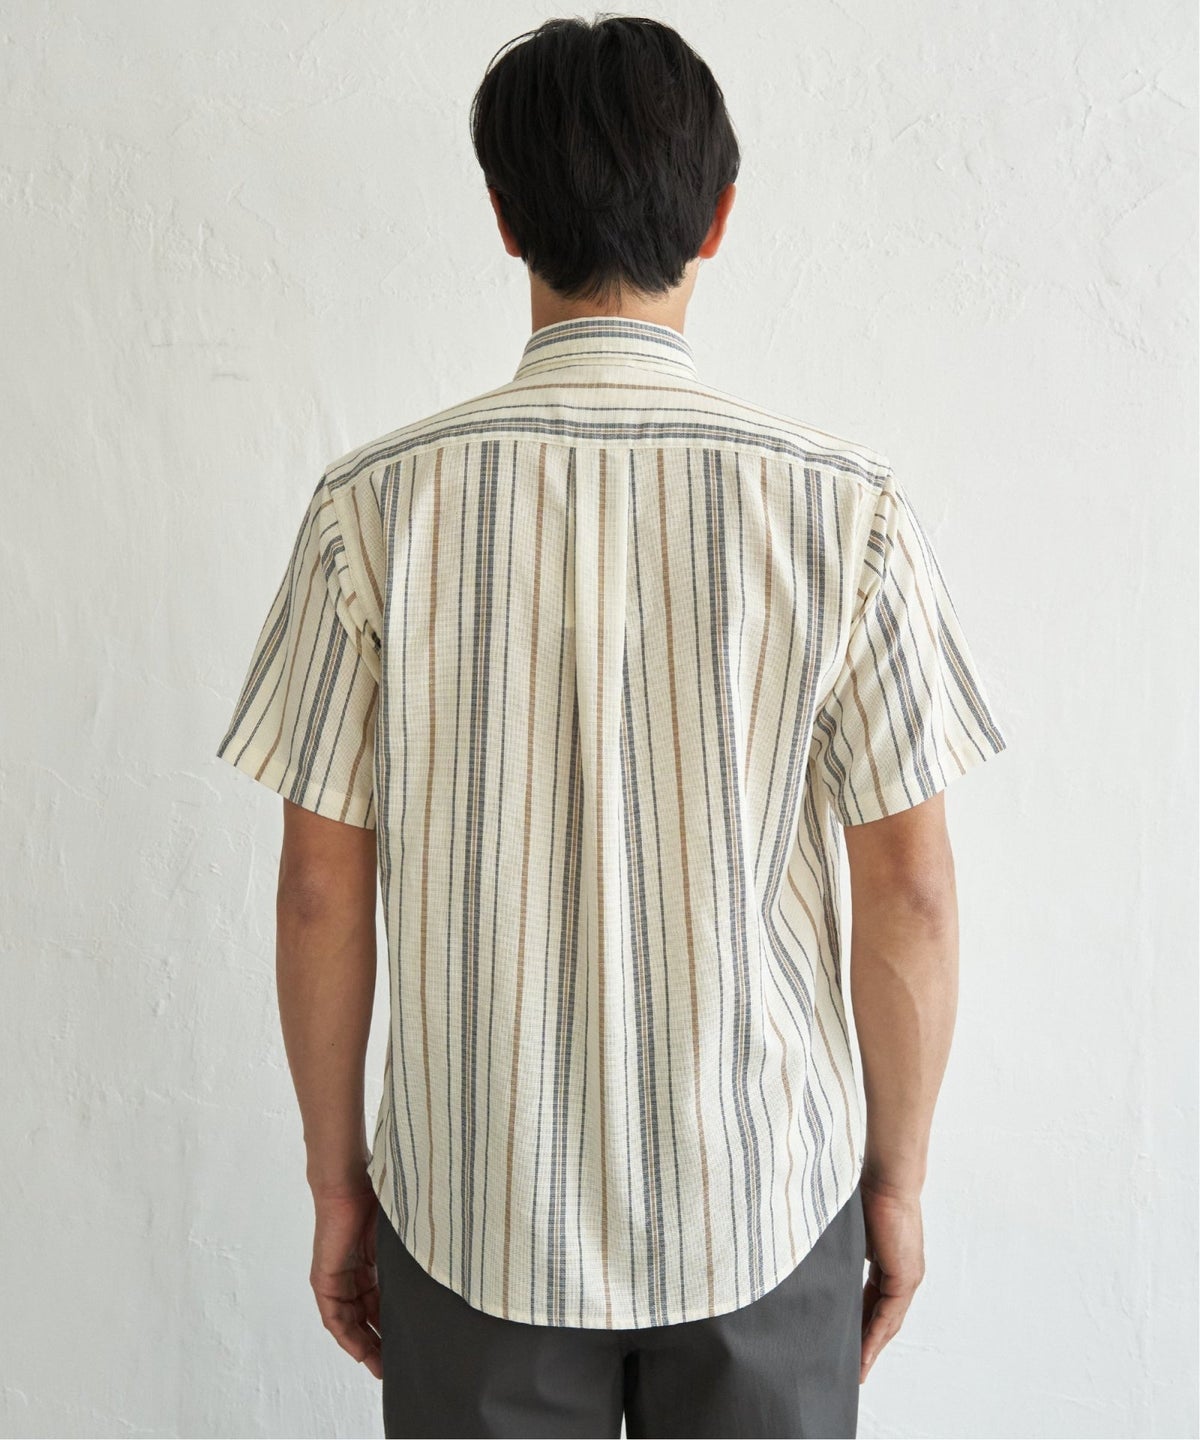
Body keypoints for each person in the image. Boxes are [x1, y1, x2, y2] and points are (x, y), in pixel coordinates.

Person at [214, 14, 1009, 1439]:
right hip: (765, 1198)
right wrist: (894, 1182)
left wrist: (339, 1183)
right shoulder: (848, 517)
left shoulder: (371, 512)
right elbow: (914, 892)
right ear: (718, 218)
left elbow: (321, 886)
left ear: (505, 218)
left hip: (474, 1208)